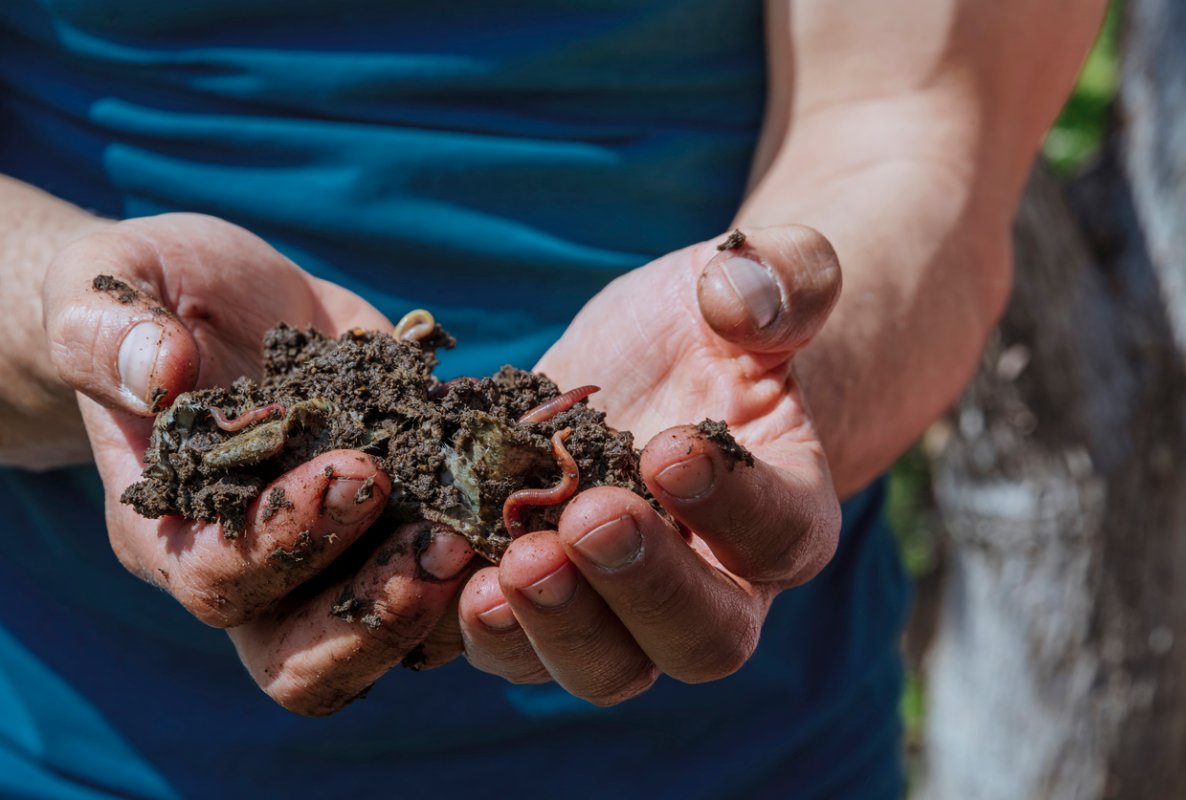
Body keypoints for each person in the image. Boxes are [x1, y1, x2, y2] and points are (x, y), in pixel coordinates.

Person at [0, 1, 1106, 796]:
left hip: (743, 754)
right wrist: (71, 323)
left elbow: (921, 123)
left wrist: (779, 368)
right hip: (92, 746)